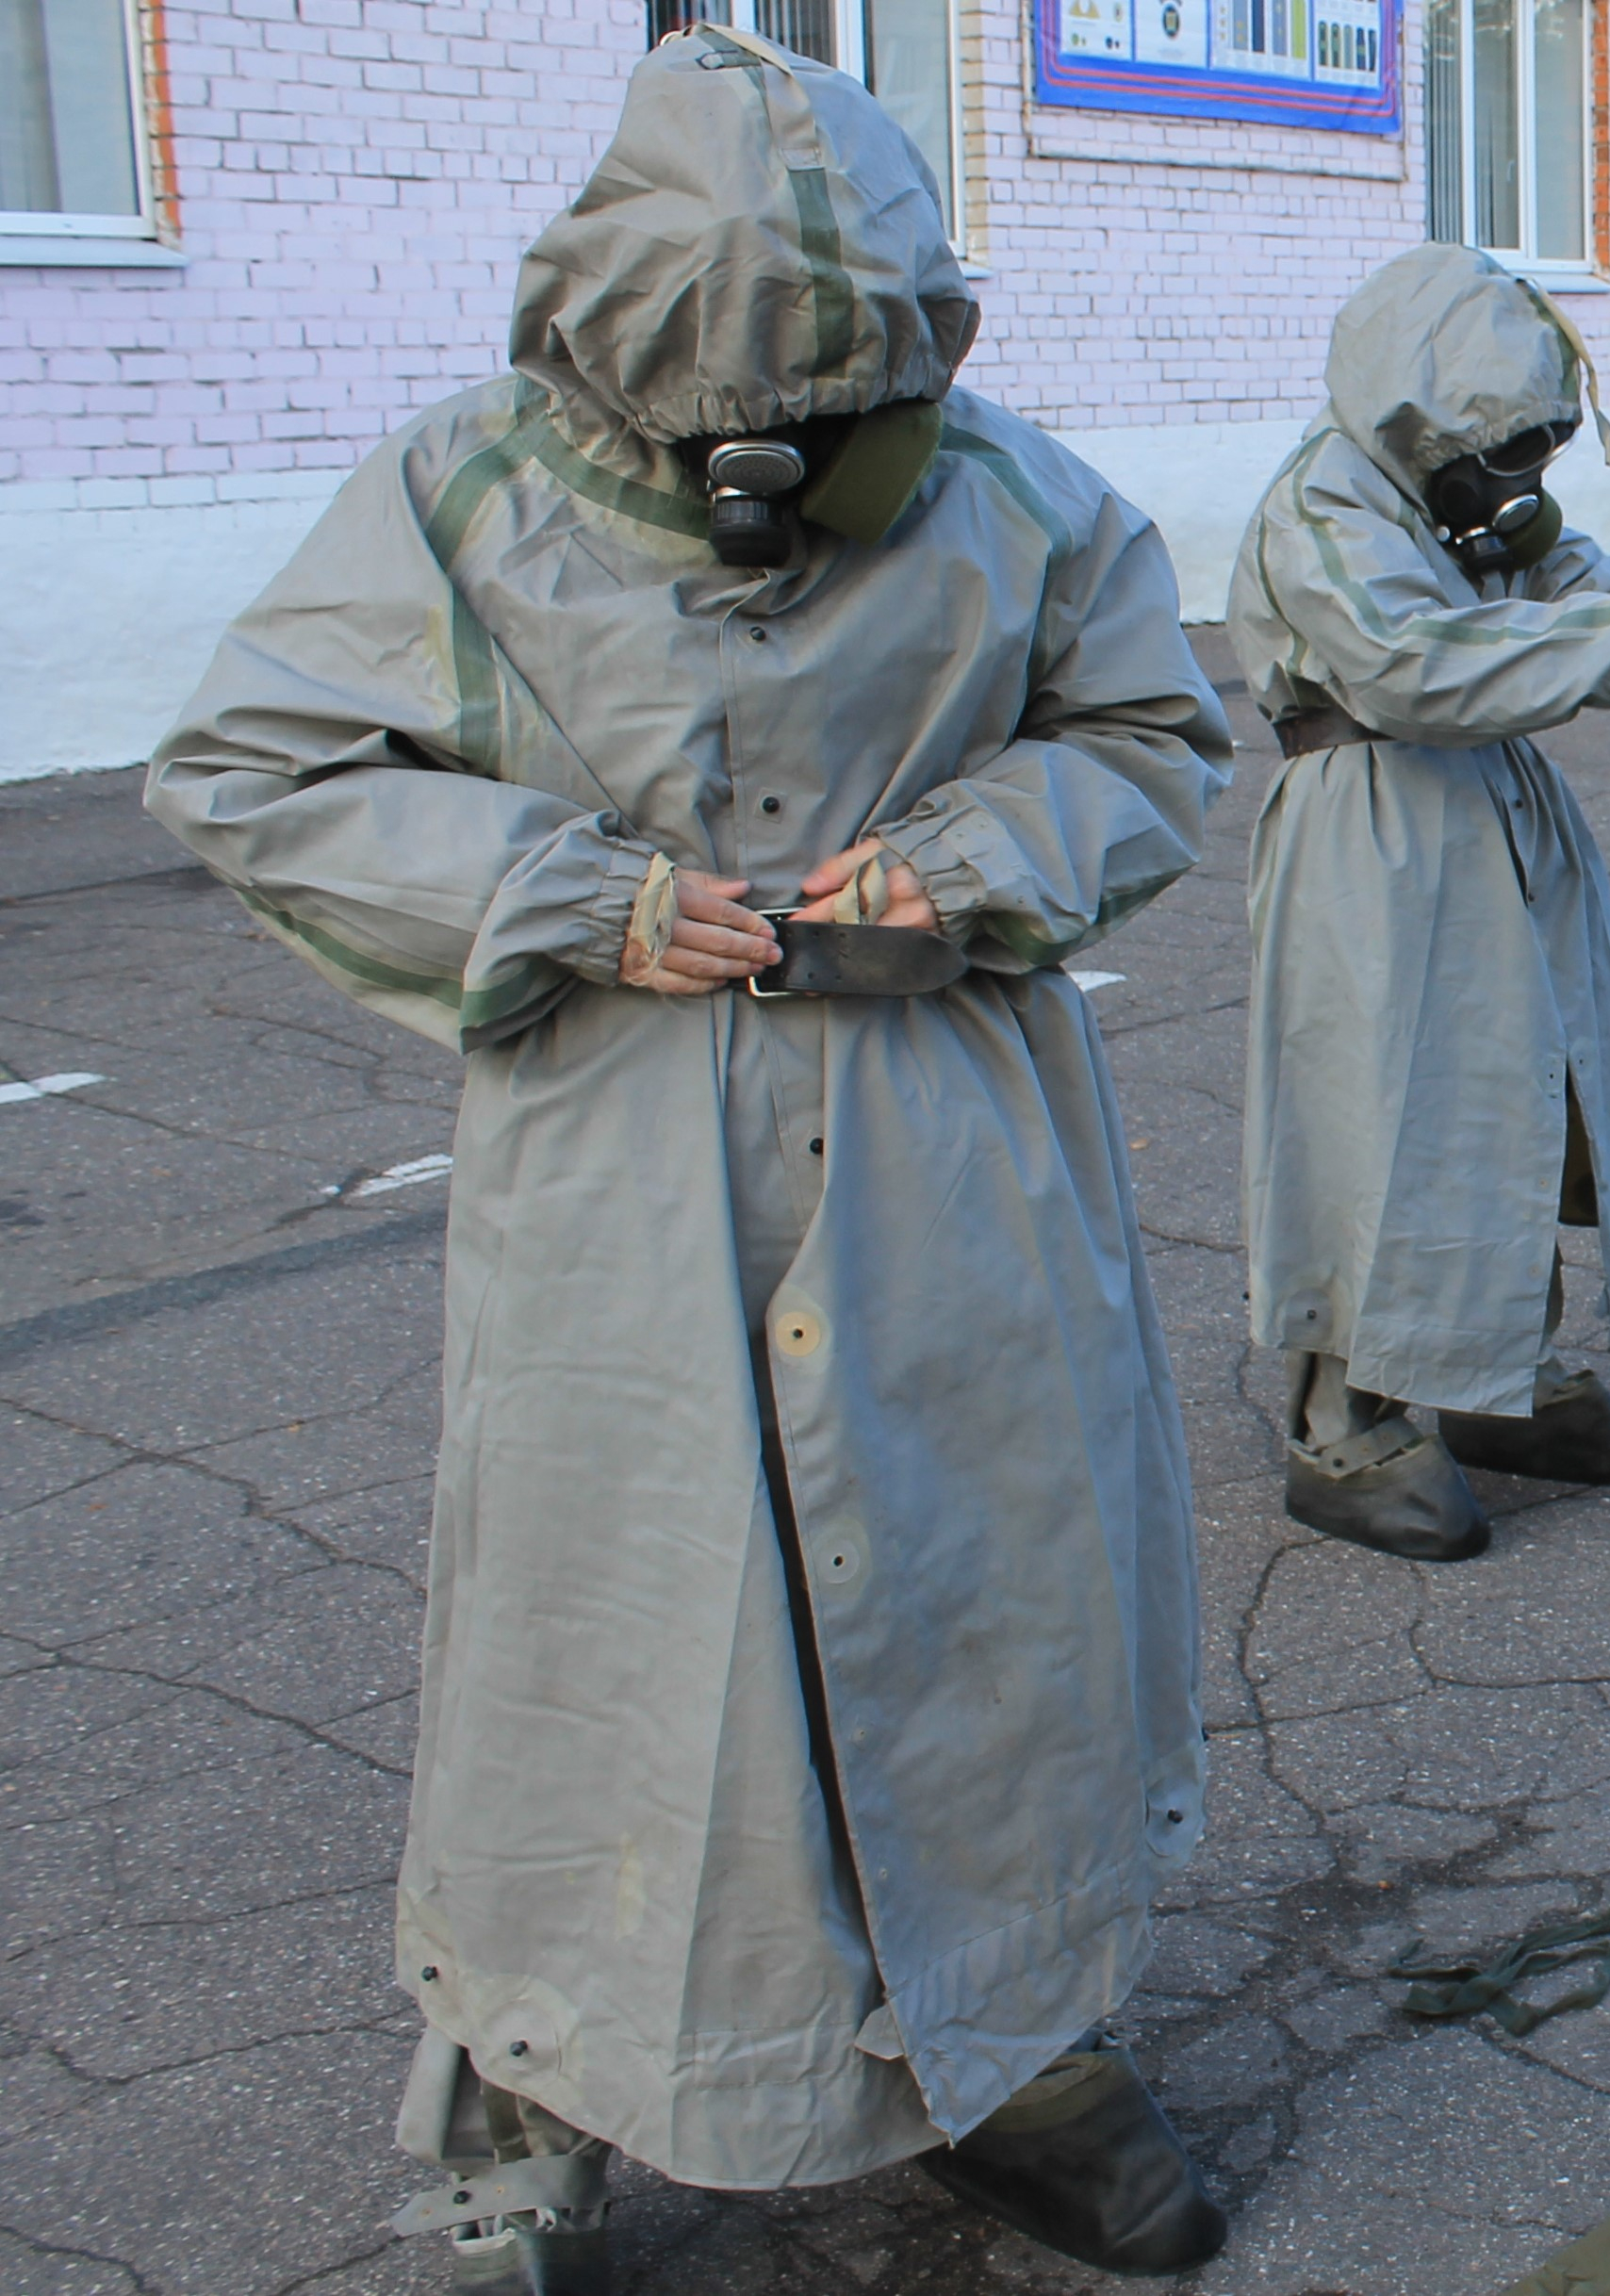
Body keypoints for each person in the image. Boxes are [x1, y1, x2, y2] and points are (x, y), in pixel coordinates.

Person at [145, 29, 1232, 2288]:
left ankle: (1015, 2050)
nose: (769, 485)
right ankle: (518, 2108)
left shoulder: (1018, 501)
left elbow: (1147, 733)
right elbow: (256, 769)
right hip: (619, 1161)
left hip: (949, 1142)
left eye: (826, 433)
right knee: (610, 1639)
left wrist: (970, 859)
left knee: (987, 1593)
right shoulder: (465, 500)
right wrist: (566, 892)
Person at [1229, 244, 1610, 1563]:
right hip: (1370, 830)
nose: (1516, 474)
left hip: (1483, 812)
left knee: (1514, 1101)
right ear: (1427, 413)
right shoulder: (1327, 503)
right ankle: (1338, 1420)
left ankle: (1489, 1371)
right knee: (1374, 1117)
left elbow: (1556, 573)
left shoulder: (1451, 481)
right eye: (1502, 447)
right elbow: (1412, 664)